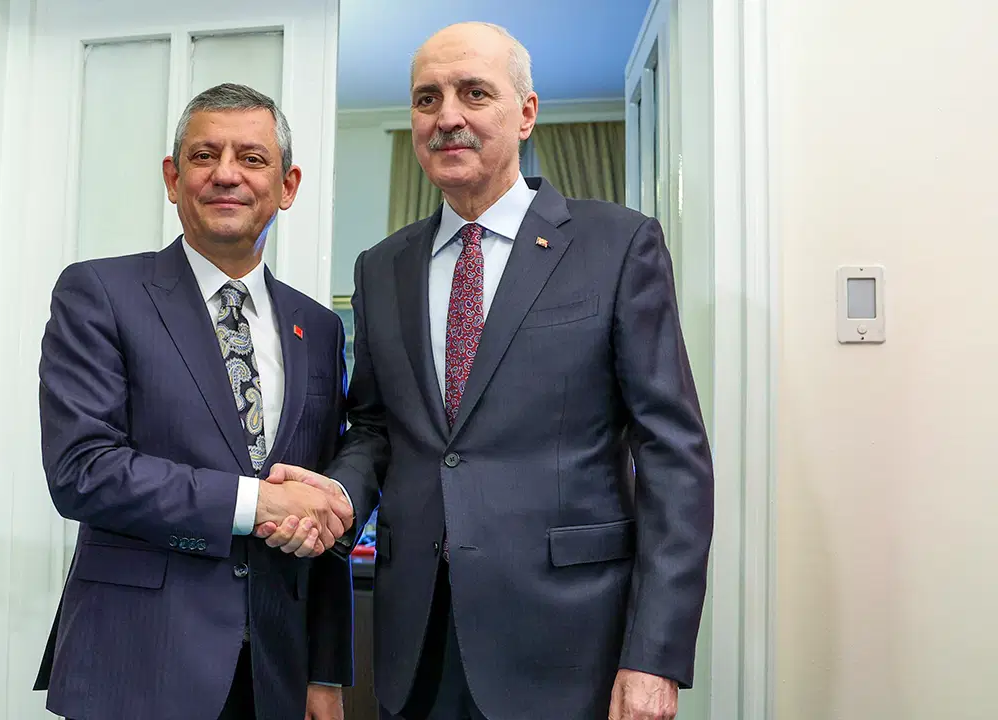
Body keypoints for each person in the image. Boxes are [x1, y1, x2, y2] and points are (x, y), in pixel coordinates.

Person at [257, 22, 715, 720]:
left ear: (526, 113)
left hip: (571, 643)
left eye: (474, 93)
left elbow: (673, 457)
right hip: (418, 642)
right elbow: (377, 427)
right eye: (427, 99)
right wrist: (341, 495)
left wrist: (654, 654)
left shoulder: (618, 245)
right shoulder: (381, 268)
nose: (448, 117)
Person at [32, 83, 356, 720]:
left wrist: (326, 670)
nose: (226, 174)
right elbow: (82, 471)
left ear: (287, 186)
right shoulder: (100, 292)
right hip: (138, 664)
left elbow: (317, 496)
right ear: (172, 178)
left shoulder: (318, 327)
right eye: (204, 156)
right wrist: (256, 502)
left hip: (276, 673)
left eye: (252, 158)